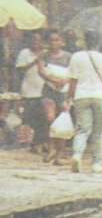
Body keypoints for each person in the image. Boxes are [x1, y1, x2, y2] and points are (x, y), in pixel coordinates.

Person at [65, 29, 102, 173]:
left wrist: (69, 97)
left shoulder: (76, 56)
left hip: (81, 96)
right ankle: (96, 163)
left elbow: (73, 80)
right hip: (100, 96)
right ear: (99, 42)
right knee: (99, 131)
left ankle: (77, 155)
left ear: (85, 41)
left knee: (81, 129)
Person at [38, 28, 71, 165]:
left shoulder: (69, 56)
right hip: (49, 91)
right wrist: (53, 80)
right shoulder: (44, 56)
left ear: (62, 42)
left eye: (57, 40)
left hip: (64, 92)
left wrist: (65, 80)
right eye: (51, 40)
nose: (54, 43)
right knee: (50, 119)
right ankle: (50, 148)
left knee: (62, 123)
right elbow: (41, 71)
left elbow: (74, 73)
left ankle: (59, 154)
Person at [15, 31, 45, 152]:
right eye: (35, 40)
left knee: (41, 118)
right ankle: (29, 142)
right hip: (29, 90)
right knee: (29, 117)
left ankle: (40, 142)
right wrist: (34, 62)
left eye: (39, 41)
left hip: (42, 89)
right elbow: (20, 69)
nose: (37, 43)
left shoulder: (44, 54)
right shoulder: (24, 53)